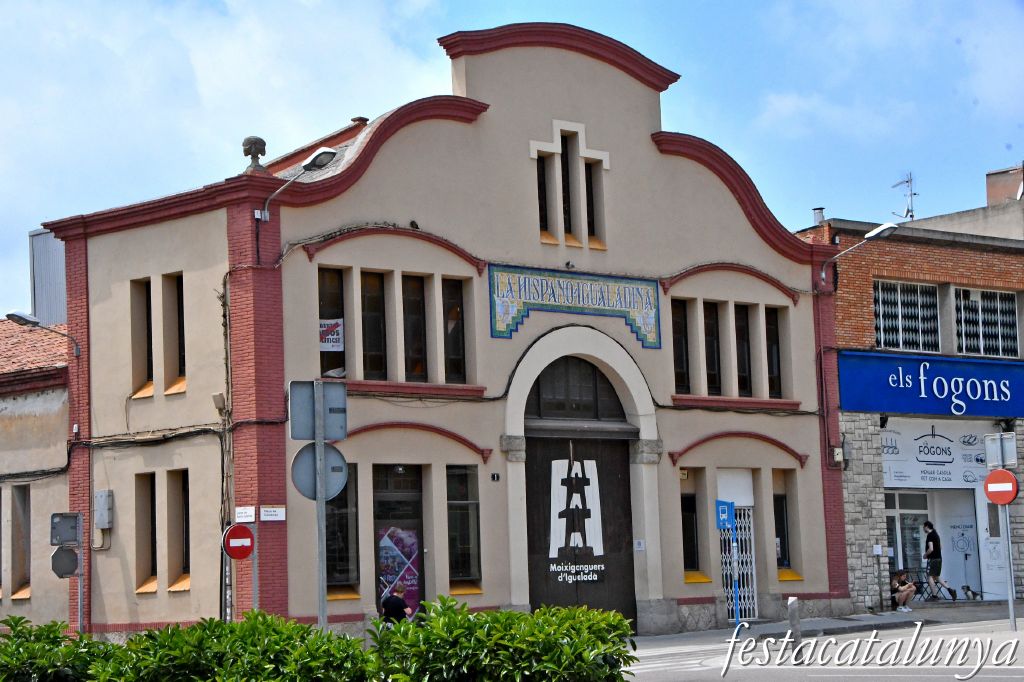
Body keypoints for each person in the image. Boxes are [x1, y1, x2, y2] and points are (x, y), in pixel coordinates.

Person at [923, 521, 957, 601]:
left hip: (933, 559)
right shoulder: (936, 534)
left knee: (930, 577)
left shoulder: (930, 535)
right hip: (939, 558)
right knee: (937, 577)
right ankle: (950, 590)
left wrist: (925, 555)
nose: (923, 529)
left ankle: (934, 596)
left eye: (924, 527)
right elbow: (940, 547)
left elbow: (931, 548)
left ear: (927, 526)